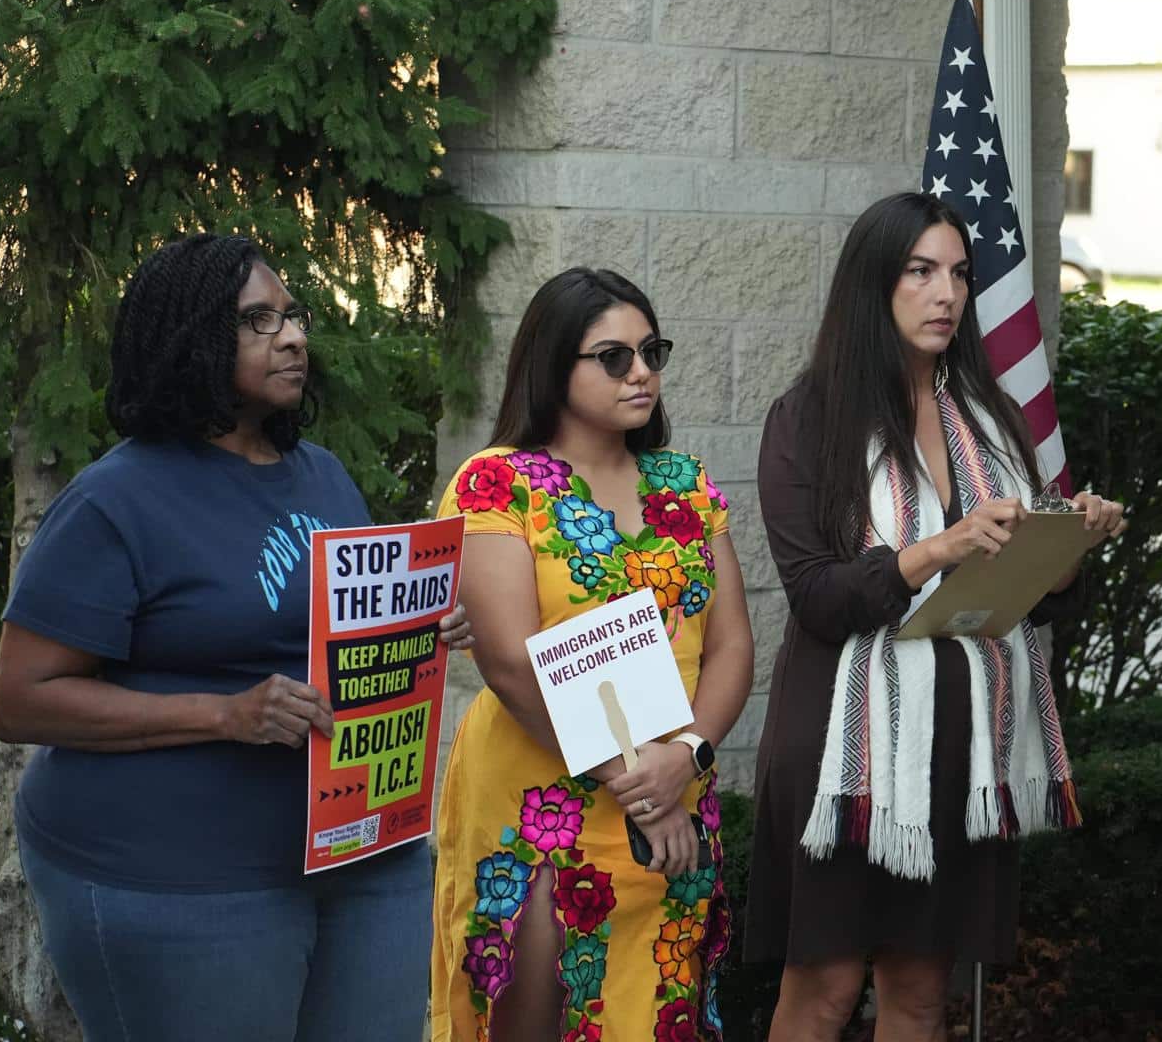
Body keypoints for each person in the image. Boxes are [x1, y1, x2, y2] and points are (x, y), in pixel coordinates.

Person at [0, 233, 475, 1041]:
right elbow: (21, 701)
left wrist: (418, 628)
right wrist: (225, 714)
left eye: (293, 315)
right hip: (177, 878)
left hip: (361, 852)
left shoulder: (320, 472)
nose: (292, 336)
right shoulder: (116, 500)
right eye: (258, 321)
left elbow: (323, 632)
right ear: (189, 342)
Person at [748, 193, 1125, 1041]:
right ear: (873, 285)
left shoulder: (990, 419)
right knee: (826, 994)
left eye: (957, 273)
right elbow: (815, 595)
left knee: (920, 997)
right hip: (846, 755)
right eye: (920, 272)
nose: (945, 293)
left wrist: (1069, 545)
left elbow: (1028, 597)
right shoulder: (808, 417)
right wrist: (937, 550)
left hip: (964, 746)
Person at [430, 268, 752, 1042]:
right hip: (547, 800)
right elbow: (508, 663)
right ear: (553, 365)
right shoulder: (499, 484)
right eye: (612, 356)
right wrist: (638, 778)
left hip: (671, 793)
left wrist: (686, 756)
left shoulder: (688, 485)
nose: (641, 371)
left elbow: (734, 643)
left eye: (650, 351)